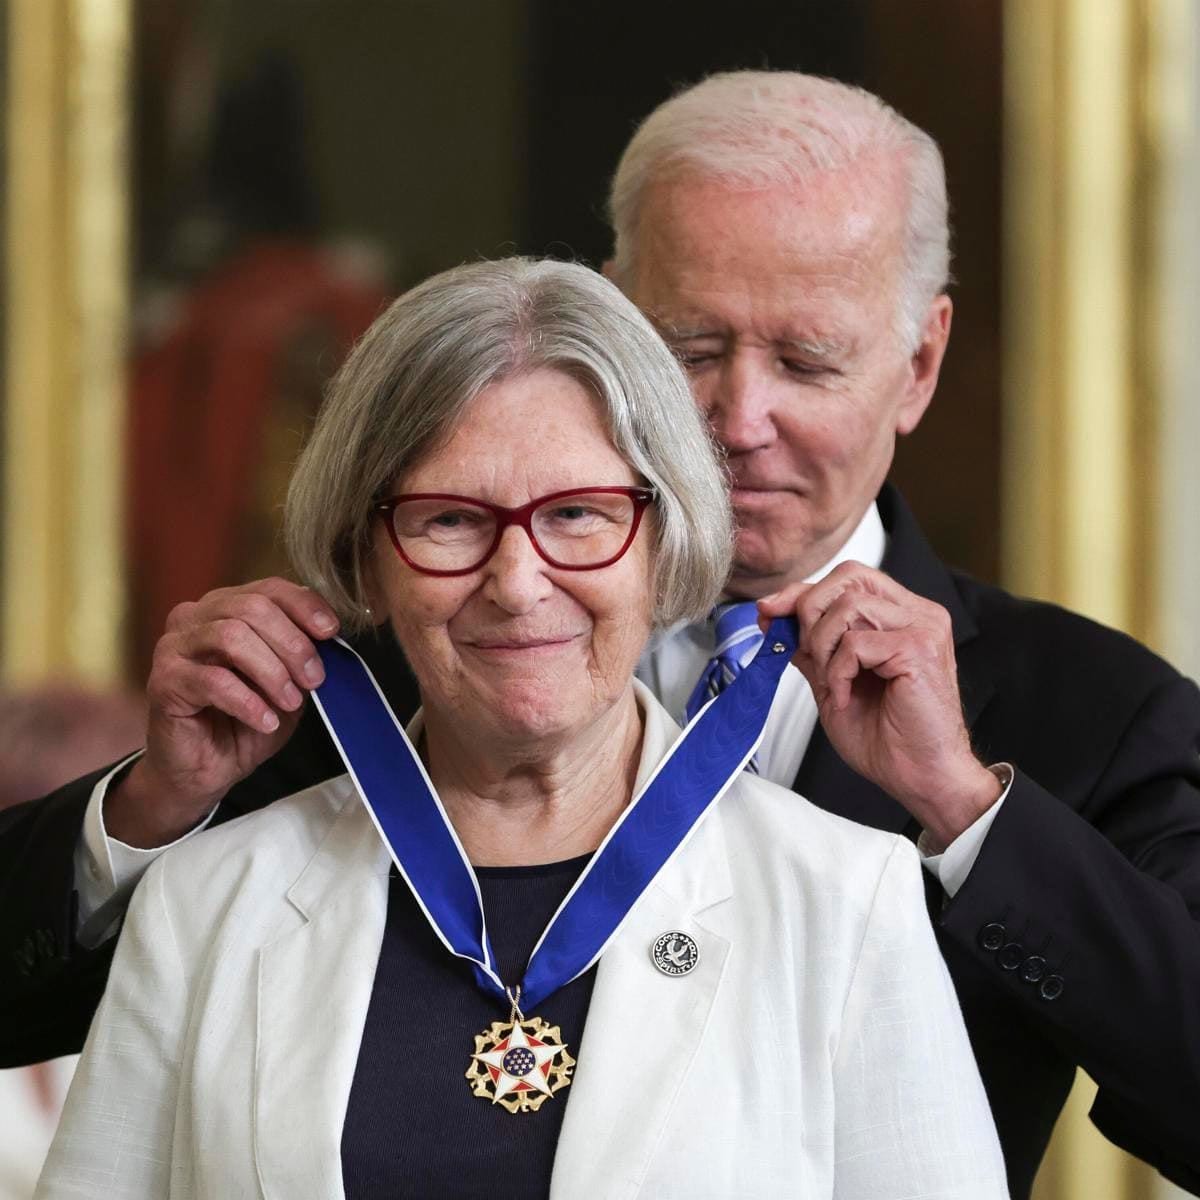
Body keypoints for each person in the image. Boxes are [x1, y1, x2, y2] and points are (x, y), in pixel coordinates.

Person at [5, 69, 1200, 1197]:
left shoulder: (1085, 714)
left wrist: (970, 809)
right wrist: (147, 813)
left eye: (807, 358)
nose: (741, 417)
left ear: (920, 361)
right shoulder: (371, 669)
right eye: (691, 347)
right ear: (616, 324)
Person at [33, 258, 1005, 1199]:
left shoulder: (846, 900)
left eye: (579, 513)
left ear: (663, 544)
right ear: (367, 558)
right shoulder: (208, 903)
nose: (517, 581)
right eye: (451, 520)